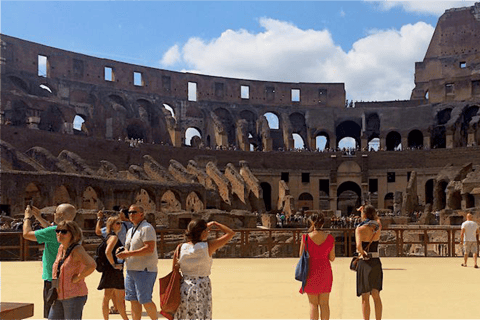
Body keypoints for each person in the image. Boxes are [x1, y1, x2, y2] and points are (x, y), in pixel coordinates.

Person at [22, 203, 76, 318]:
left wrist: (27, 217)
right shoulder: (74, 230)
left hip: (52, 277)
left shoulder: (54, 231)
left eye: (55, 212)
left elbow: (26, 234)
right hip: (68, 277)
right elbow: (50, 230)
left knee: (52, 312)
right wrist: (38, 217)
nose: (54, 214)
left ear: (60, 215)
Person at [174, 219, 235, 320]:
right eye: (207, 230)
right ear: (203, 233)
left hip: (184, 287)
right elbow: (230, 233)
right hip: (202, 286)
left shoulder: (180, 248)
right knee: (200, 314)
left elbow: (175, 269)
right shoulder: (208, 247)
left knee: (185, 315)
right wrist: (215, 224)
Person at [116, 205, 159, 320]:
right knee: (133, 300)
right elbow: (128, 248)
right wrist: (121, 251)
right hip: (131, 270)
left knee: (145, 300)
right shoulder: (130, 230)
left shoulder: (146, 228)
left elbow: (149, 248)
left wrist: (128, 254)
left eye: (134, 212)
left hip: (144, 270)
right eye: (129, 212)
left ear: (142, 214)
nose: (131, 214)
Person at [49, 220, 96, 320]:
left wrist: (78, 278)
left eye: (64, 231)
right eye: (58, 231)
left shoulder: (77, 250)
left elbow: (91, 265)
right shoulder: (61, 248)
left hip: (74, 296)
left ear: (73, 234)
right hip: (58, 295)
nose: (59, 234)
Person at [298, 213, 335, 320]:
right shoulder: (329, 238)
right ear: (323, 223)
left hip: (310, 271)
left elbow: (301, 255)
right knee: (324, 304)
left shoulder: (305, 238)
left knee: (313, 304)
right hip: (325, 271)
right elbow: (332, 258)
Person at [98, 216, 129, 320]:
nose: (120, 225)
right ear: (111, 225)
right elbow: (108, 252)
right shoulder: (114, 237)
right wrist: (114, 265)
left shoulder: (108, 236)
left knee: (107, 298)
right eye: (117, 223)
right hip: (114, 271)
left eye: (120, 223)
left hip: (109, 271)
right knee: (119, 298)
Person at [355, 205, 383, 320]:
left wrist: (362, 252)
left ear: (364, 215)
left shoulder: (359, 229)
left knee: (365, 296)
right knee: (376, 295)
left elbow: (358, 246)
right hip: (375, 261)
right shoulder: (377, 227)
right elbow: (377, 220)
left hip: (364, 262)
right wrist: (369, 212)